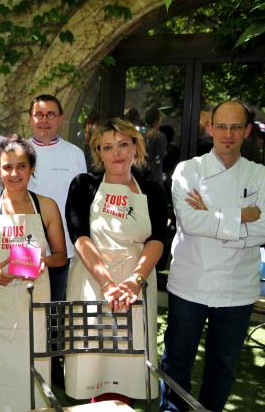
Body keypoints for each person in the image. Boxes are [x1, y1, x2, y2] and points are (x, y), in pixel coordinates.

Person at [160, 100, 265, 412]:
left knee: (222, 367)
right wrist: (245, 215)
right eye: (222, 126)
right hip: (190, 285)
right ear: (210, 128)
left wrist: (214, 217)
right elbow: (190, 223)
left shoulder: (260, 175)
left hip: (238, 290)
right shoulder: (188, 170)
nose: (228, 134)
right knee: (177, 362)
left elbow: (264, 230)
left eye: (236, 127)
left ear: (247, 131)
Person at [64, 118, 167, 405]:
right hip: (92, 281)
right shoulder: (83, 185)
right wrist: (107, 284)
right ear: (98, 152)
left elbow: (157, 239)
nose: (117, 152)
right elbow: (80, 236)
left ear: (136, 146)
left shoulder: (153, 191)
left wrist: (134, 281)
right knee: (91, 360)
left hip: (135, 281)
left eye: (123, 144)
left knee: (128, 359)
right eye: (107, 147)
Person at [0, 135, 67, 411]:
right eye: (7, 166)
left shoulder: (46, 206)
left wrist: (43, 261)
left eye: (21, 166)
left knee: (32, 364)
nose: (14, 173)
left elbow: (61, 256)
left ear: (32, 168)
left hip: (34, 299)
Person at [26, 94, 87, 387]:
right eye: (39, 114)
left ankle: (53, 365)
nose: (45, 120)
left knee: (57, 310)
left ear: (61, 119)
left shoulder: (74, 154)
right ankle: (25, 360)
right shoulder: (20, 152)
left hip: (65, 250)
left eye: (51, 114)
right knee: (26, 307)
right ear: (31, 119)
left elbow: (81, 201)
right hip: (26, 249)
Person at [143, 106, 167, 185]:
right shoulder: (160, 136)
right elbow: (159, 157)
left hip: (143, 175)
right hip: (155, 177)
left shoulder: (143, 135)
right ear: (157, 119)